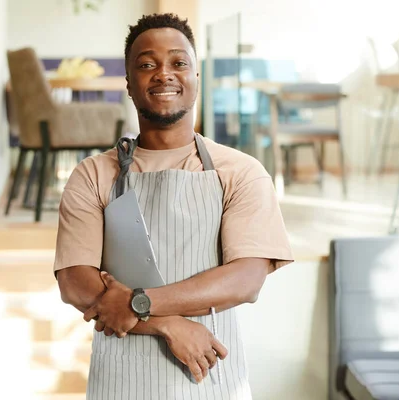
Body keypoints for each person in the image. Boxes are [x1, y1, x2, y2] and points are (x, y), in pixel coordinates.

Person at [54, 13, 294, 400]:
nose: (163, 74)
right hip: (119, 379)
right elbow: (76, 284)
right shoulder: (93, 174)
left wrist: (138, 302)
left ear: (197, 79)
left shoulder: (241, 172)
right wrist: (168, 324)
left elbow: (246, 280)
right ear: (130, 85)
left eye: (179, 63)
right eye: (147, 65)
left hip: (212, 376)